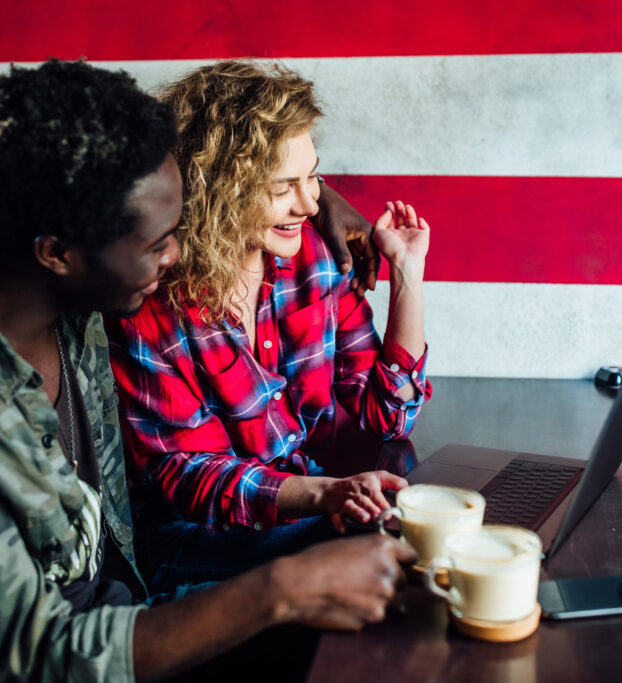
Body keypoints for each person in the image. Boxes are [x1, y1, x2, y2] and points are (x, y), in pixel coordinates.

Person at [0, 59, 416, 682]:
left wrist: (315, 200)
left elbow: (217, 175)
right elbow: (41, 661)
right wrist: (281, 590)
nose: (179, 251)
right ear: (58, 252)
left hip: (125, 610)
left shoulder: (66, 299)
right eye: (158, 242)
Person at [107, 61, 432, 593]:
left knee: (427, 531)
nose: (310, 204)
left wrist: (406, 275)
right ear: (220, 190)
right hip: (193, 536)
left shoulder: (316, 258)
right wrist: (324, 495)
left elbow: (387, 417)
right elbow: (185, 478)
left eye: (314, 178)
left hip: (306, 502)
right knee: (394, 557)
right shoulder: (151, 302)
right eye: (285, 186)